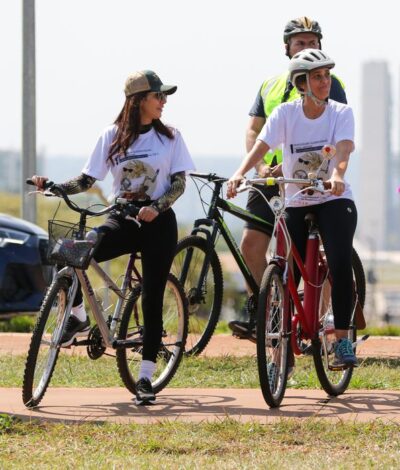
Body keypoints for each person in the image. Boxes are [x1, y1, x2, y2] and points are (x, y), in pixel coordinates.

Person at [30, 70, 196, 405]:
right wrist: (54, 187)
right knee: (71, 252)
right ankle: (77, 315)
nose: (163, 102)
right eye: (158, 96)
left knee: (151, 297)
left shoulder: (171, 137)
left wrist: (159, 206)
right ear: (138, 101)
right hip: (123, 218)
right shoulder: (112, 135)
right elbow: (87, 179)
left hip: (160, 222)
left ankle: (146, 377)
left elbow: (179, 183)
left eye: (164, 97)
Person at [226, 49, 358, 368]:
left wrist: (337, 175)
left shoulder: (340, 113)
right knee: (285, 272)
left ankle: (341, 340)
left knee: (340, 262)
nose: (325, 82)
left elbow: (343, 148)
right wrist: (241, 173)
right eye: (317, 77)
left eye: (326, 75)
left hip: (332, 198)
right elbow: (261, 146)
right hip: (297, 200)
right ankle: (280, 348)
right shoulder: (286, 114)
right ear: (302, 83)